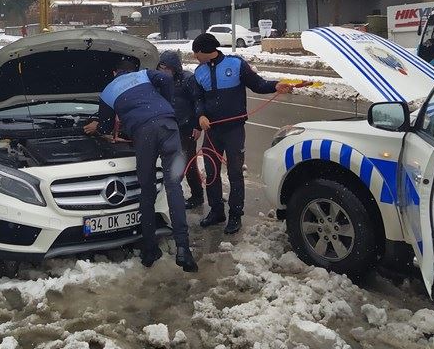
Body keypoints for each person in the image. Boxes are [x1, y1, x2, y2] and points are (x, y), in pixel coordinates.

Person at [84, 58, 198, 272]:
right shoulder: (145, 74)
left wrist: (98, 126)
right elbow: (165, 78)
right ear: (131, 71)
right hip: (168, 124)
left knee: (147, 191)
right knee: (174, 186)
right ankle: (183, 248)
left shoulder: (108, 91)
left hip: (144, 132)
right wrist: (165, 102)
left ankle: (150, 250)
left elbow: (107, 127)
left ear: (113, 72)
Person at [191, 32, 290, 235]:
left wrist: (275, 85)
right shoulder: (199, 72)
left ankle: (235, 215)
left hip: (234, 129)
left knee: (235, 173)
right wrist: (200, 116)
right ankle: (216, 211)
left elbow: (258, 84)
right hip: (212, 131)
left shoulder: (236, 64)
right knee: (211, 172)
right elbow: (198, 99)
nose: (194, 56)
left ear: (204, 51)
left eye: (196, 52)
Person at [157, 50, 203, 210]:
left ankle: (193, 196)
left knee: (185, 164)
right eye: (161, 68)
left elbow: (198, 102)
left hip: (187, 128)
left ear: (175, 68)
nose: (163, 71)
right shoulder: (161, 80)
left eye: (166, 68)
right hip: (169, 128)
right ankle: (173, 195)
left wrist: (197, 125)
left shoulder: (188, 80)